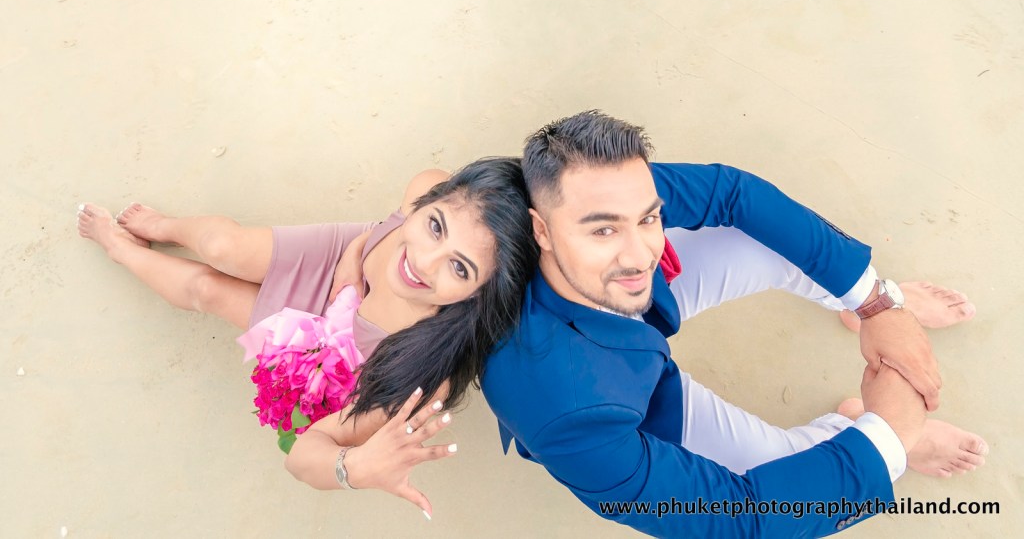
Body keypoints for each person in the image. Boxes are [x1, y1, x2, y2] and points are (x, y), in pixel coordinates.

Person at [482, 111, 988, 537]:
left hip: (619, 312)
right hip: (631, 402)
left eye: (648, 218)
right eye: (604, 230)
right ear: (539, 230)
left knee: (765, 238)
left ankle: (857, 302)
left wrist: (878, 304)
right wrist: (892, 435)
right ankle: (861, 429)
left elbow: (733, 192)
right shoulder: (570, 418)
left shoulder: (600, 189)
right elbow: (740, 518)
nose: (640, 254)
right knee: (777, 467)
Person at [78, 156, 538, 519]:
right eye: (435, 226)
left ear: (481, 296)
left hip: (329, 349)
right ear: (432, 201)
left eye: (460, 267)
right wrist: (353, 259)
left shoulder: (419, 377)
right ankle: (164, 227)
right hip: (340, 261)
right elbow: (390, 223)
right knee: (223, 247)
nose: (422, 261)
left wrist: (352, 467)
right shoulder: (426, 185)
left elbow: (302, 456)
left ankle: (120, 251)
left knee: (208, 289)